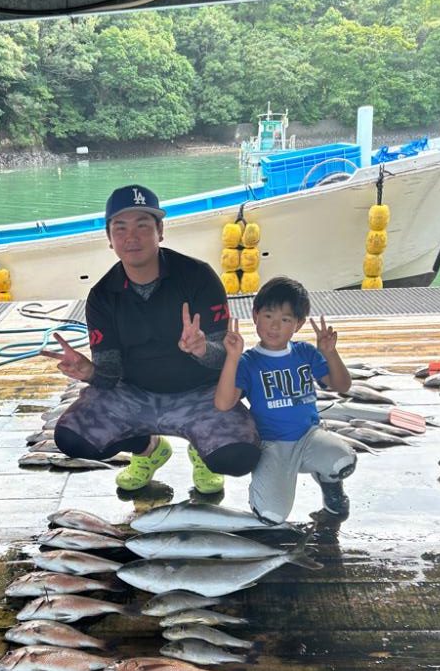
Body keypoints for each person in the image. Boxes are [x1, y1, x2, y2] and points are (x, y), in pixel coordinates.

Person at [43, 184, 260, 493]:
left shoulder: (198, 276)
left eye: (143, 226)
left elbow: (224, 359)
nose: (132, 237)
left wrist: (202, 348)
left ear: (160, 230)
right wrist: (89, 371)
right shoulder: (102, 296)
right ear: (109, 238)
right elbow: (109, 375)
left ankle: (202, 447)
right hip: (136, 394)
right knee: (72, 438)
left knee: (239, 456)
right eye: (120, 228)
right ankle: (148, 450)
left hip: (202, 392)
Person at [214, 276, 356, 523]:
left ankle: (330, 484)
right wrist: (232, 358)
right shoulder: (248, 362)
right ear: (255, 315)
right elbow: (223, 403)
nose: (275, 326)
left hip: (309, 436)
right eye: (268, 316)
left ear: (298, 324)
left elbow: (342, 385)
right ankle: (268, 486)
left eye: (285, 319)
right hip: (272, 445)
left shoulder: (305, 353)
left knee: (344, 461)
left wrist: (330, 354)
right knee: (271, 515)